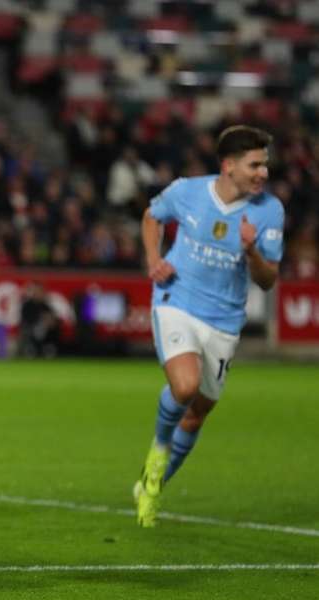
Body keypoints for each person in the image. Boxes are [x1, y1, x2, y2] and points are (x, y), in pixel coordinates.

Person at [134, 125, 283, 527]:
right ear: (228, 166)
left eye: (265, 165)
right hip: (176, 300)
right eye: (255, 165)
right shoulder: (187, 192)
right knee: (184, 386)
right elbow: (152, 216)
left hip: (224, 321)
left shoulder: (269, 211)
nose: (262, 174)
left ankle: (151, 485)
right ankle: (158, 452)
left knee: (198, 413)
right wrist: (154, 258)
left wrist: (251, 250)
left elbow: (268, 279)